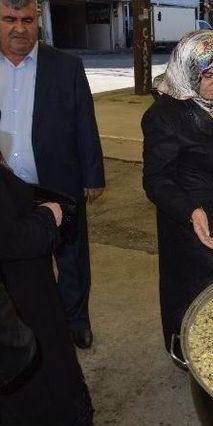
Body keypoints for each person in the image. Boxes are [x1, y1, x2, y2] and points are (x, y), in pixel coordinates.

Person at [0, 0, 105, 349]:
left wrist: (93, 175)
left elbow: (84, 124)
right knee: (19, 256)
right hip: (5, 189)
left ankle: (76, 320)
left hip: (58, 180)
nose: (19, 27)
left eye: (27, 19)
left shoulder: (66, 67)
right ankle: (27, 323)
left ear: (38, 22)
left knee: (71, 255)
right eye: (10, 19)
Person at [142, 30, 213, 356]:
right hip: (190, 223)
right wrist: (191, 210)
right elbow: (155, 179)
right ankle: (186, 351)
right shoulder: (164, 116)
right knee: (191, 290)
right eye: (207, 76)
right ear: (188, 72)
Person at [0, 154, 93, 424]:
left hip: (25, 294)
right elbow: (11, 240)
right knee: (44, 387)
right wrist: (47, 216)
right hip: (21, 303)